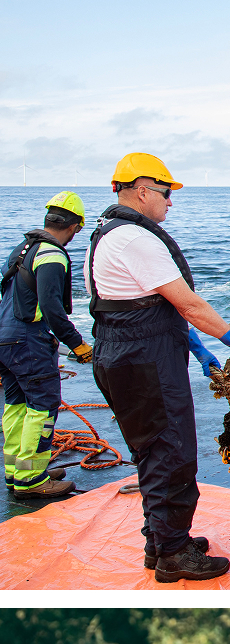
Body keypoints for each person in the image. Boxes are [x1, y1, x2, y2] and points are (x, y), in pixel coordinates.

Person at [85, 152, 230, 582]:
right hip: (145, 365)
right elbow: (189, 305)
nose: (170, 202)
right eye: (166, 193)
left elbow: (144, 307)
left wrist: (198, 351)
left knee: (152, 450)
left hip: (124, 357)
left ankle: (160, 540)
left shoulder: (106, 235)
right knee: (173, 453)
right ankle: (173, 556)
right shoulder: (136, 240)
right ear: (142, 190)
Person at [0, 192, 94, 498]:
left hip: (5, 337)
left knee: (16, 406)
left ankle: (18, 473)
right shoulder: (52, 255)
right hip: (29, 341)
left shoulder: (21, 249)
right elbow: (52, 309)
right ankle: (33, 481)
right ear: (76, 226)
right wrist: (78, 345)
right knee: (42, 407)